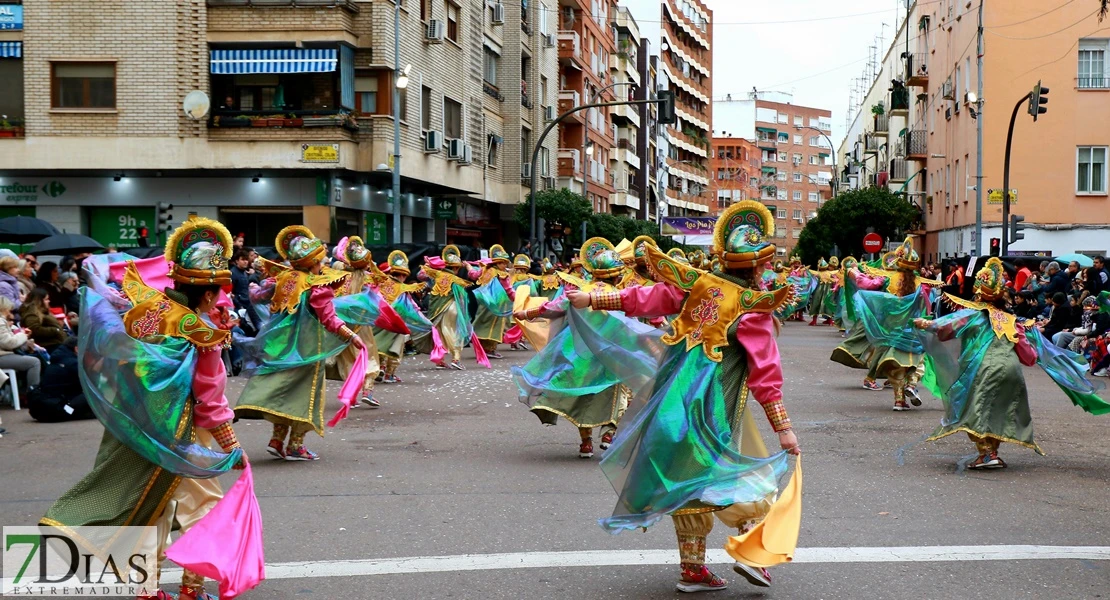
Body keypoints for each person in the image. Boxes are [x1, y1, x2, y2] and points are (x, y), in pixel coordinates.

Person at [42, 216, 250, 600]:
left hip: (138, 428)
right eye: (218, 292)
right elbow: (209, 396)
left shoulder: (146, 310)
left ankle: (147, 588)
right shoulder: (200, 332)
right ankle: (191, 588)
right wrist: (230, 443)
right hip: (183, 432)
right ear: (206, 294)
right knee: (203, 508)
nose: (222, 299)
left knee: (151, 507)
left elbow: (122, 359)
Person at [234, 225, 368, 462]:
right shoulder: (317, 286)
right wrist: (351, 336)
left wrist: (255, 286)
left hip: (281, 347)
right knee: (306, 395)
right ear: (314, 262)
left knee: (285, 391)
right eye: (320, 261)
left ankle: (277, 440)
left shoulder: (283, 278)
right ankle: (296, 445)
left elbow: (257, 296)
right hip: (307, 350)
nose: (322, 264)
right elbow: (330, 319)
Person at [0, 295, 41, 397]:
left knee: (32, 358)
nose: (10, 312)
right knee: (34, 362)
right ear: (3, 308)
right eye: (9, 310)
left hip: (5, 354)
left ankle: (24, 393)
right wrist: (23, 334)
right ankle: (33, 395)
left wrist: (23, 337)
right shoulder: (0, 322)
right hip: (2, 356)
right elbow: (8, 343)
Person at [20, 288, 67, 353]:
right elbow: (35, 329)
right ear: (39, 301)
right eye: (46, 299)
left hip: (56, 343)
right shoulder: (32, 313)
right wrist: (55, 330)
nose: (49, 301)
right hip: (49, 346)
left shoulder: (43, 311)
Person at [230, 249, 261, 336]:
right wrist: (239, 305)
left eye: (246, 259)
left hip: (248, 304)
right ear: (237, 261)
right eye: (242, 259)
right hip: (238, 307)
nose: (245, 262)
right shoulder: (233, 273)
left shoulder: (245, 272)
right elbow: (231, 293)